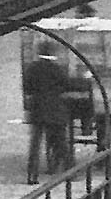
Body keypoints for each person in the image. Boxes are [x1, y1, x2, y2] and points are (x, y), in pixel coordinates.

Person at [23, 42, 90, 185]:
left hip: (37, 110)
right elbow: (67, 85)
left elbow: (27, 88)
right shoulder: (56, 69)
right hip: (54, 110)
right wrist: (85, 81)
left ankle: (32, 175)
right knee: (61, 143)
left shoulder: (32, 68)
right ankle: (70, 172)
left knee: (35, 144)